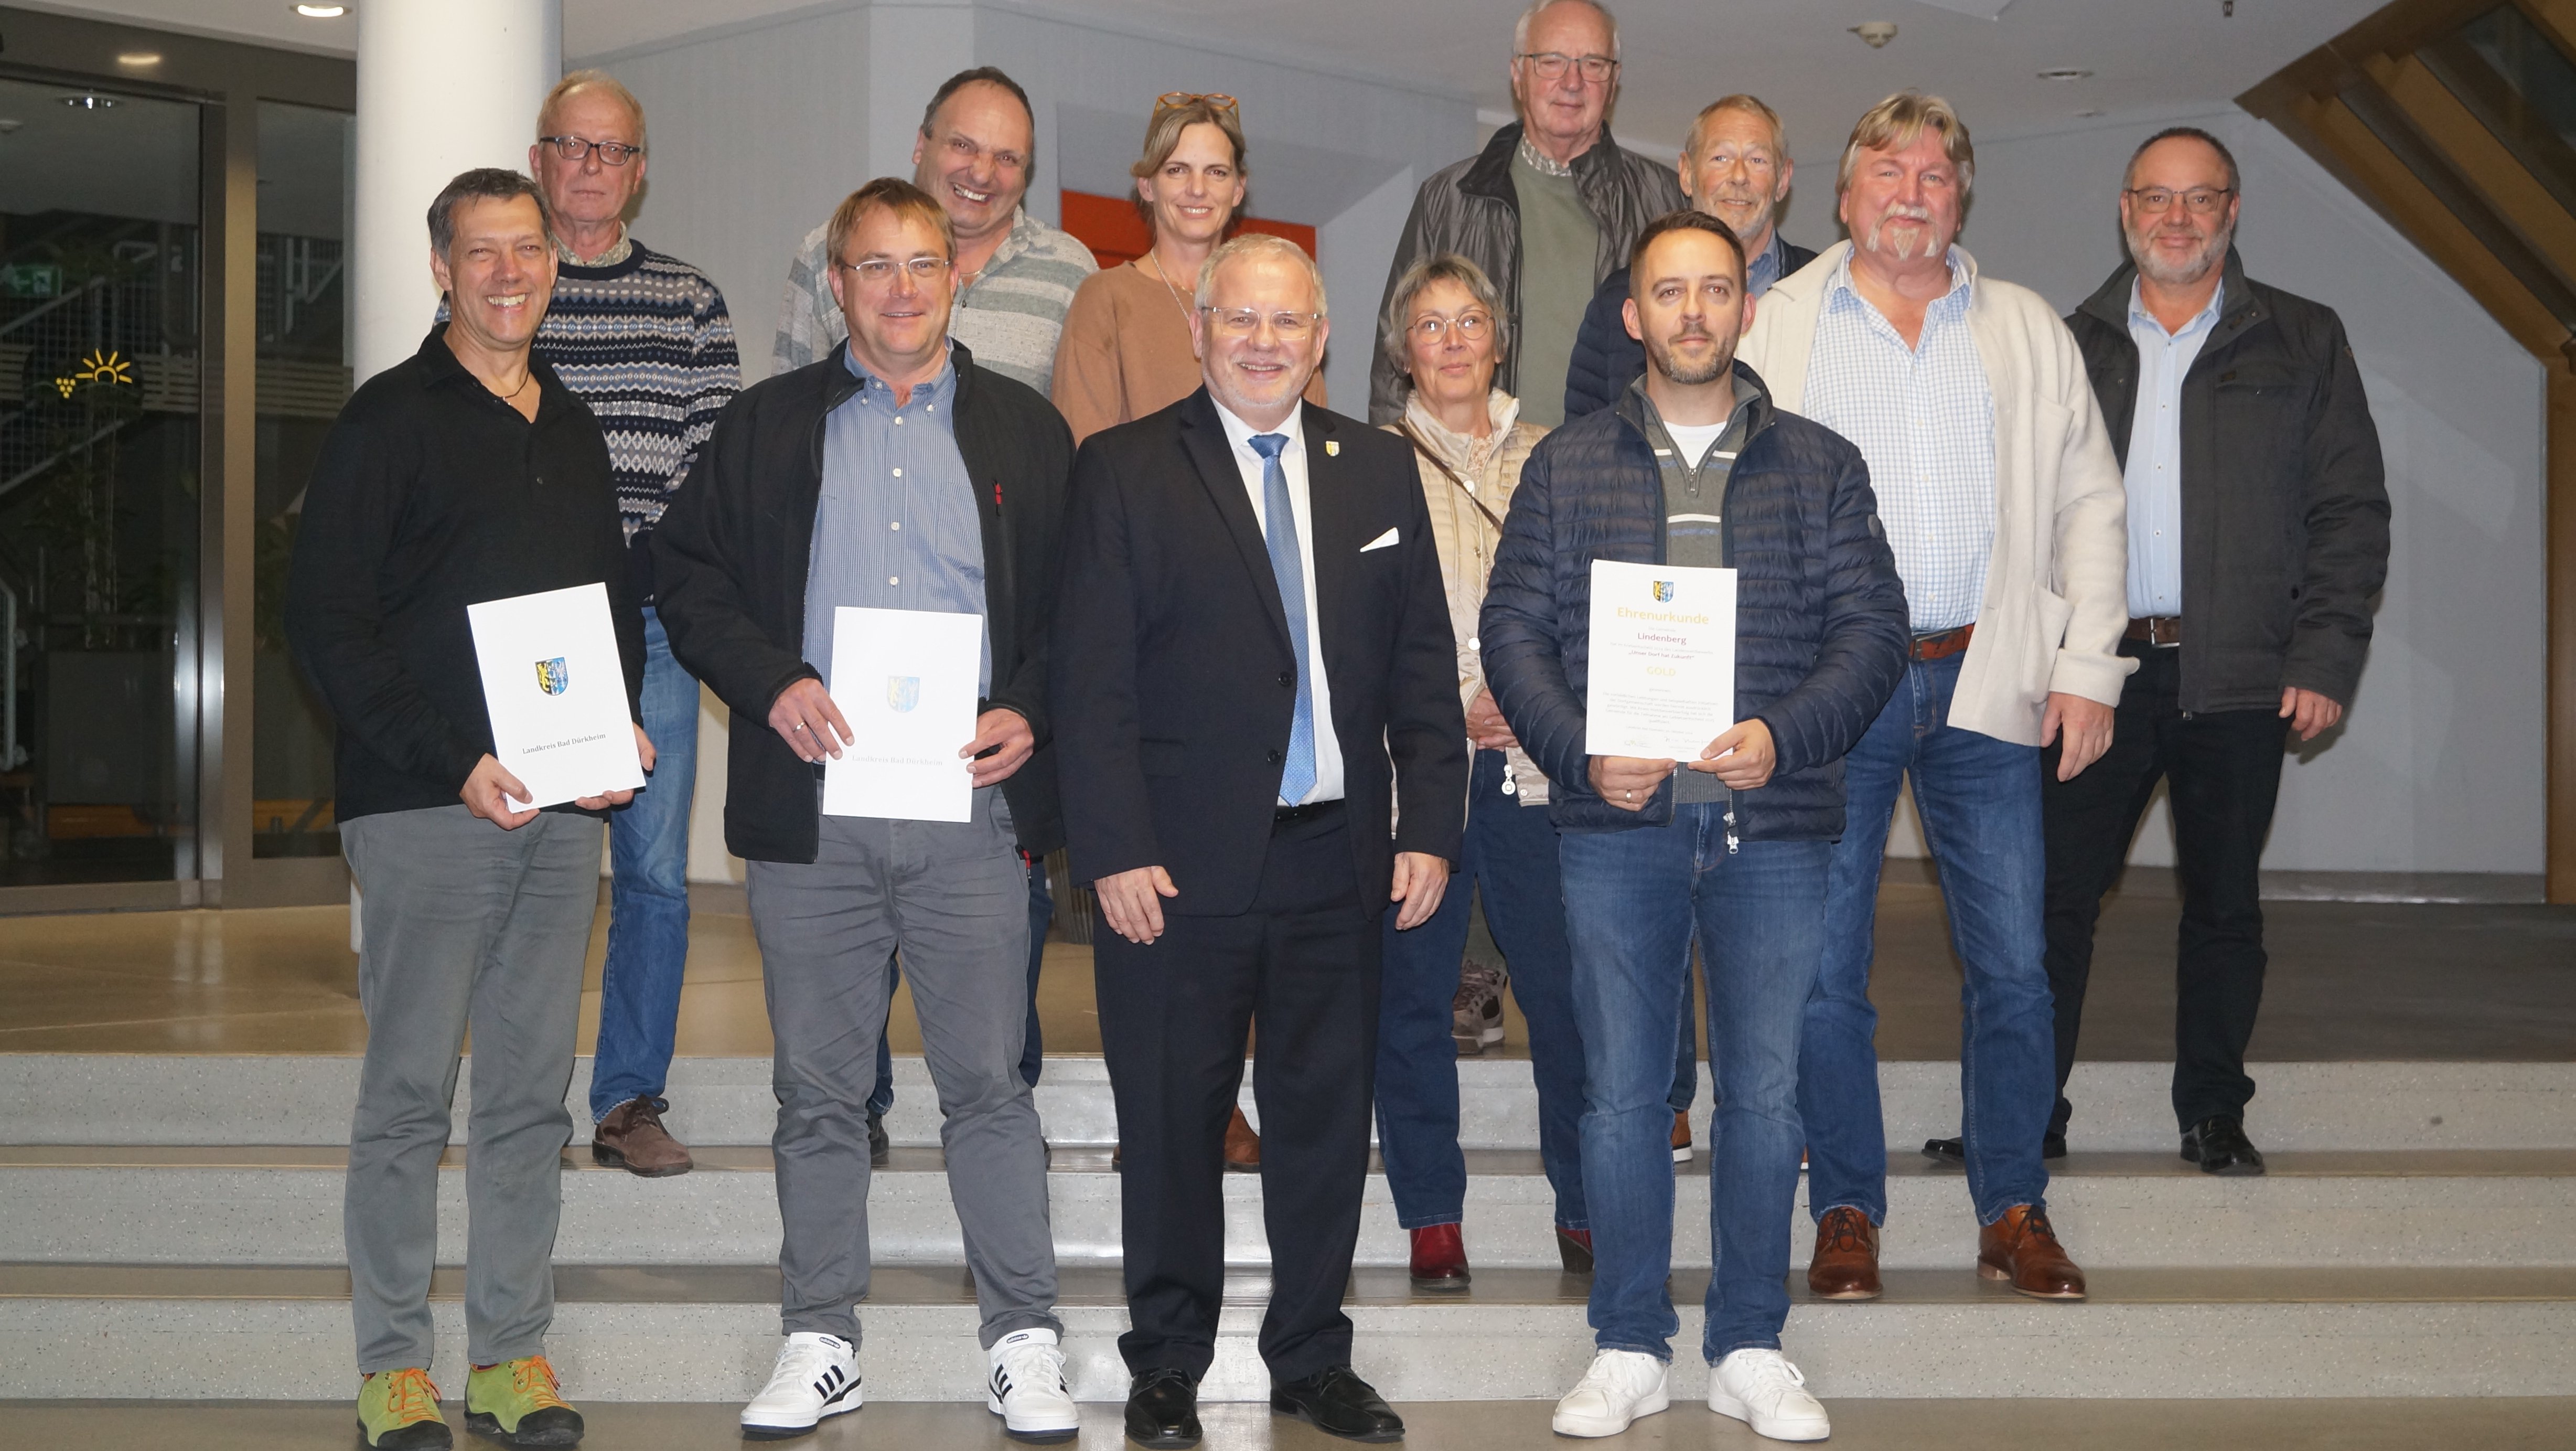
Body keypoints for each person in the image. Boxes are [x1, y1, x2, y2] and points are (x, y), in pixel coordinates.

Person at [653, 178, 1079, 1445]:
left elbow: (1079, 609)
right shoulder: (766, 427)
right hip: (816, 821)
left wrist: (1030, 707)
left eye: (921, 264)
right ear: (836, 284)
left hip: (971, 819)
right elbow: (683, 574)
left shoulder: (1023, 431)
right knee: (817, 1095)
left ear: (956, 278)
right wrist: (770, 679)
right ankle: (821, 1338)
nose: (899, 289)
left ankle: (1024, 1342)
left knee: (989, 1089)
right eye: (873, 267)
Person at [1482, 210, 1908, 1443]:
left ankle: (1747, 1344)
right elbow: (1513, 632)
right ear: (1632, 314)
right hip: (1615, 830)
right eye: (1666, 292)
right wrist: (1577, 750)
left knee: (1765, 1098)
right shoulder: (1565, 465)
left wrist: (1784, 733)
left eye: (1713, 290)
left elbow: (1870, 634)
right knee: (1619, 1096)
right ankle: (1624, 1340)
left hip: (1772, 827)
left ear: (1742, 308)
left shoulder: (1822, 465)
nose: (1689, 313)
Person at [1052, 233, 1467, 1448]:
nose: (1261, 341)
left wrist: (1428, 825)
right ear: (1196, 327)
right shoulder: (1125, 469)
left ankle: (1308, 1355)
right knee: (1172, 1120)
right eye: (1238, 318)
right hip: (1172, 872)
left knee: (1324, 1121)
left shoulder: (1377, 470)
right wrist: (1113, 850)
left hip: (1336, 857)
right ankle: (1166, 1360)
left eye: (1285, 322)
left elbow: (1420, 671)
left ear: (1321, 337)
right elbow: (1091, 684)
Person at [1736, 90, 2133, 1306]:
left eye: (1933, 174)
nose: (1910, 191)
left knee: (2013, 959)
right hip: (1833, 684)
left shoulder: (2021, 328)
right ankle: (1844, 1206)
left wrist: (2085, 668)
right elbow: (1731, 507)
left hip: (1987, 672)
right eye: (1887, 170)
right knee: (1820, 969)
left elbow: (2088, 506)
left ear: (1959, 198)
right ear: (1841, 193)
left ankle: (2011, 1205)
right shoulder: (1775, 326)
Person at [289, 167, 651, 1451]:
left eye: (529, 249)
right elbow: (325, 625)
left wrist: (613, 734)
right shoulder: (388, 420)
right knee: (405, 1097)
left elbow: (607, 610)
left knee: (523, 1098)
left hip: (560, 818)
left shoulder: (575, 426)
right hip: (426, 810)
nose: (509, 271)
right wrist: (453, 761)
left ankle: (507, 1356)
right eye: (481, 251)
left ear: (557, 265)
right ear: (440, 267)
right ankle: (392, 1366)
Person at [2035, 126, 2389, 1173]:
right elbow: (2019, 520)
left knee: (2223, 906)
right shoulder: (2070, 343)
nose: (2175, 218)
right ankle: (2024, 1108)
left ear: (2231, 211)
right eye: (2156, 198)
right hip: (2095, 671)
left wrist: (2321, 659)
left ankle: (2210, 1112)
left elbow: (2349, 513)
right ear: (2123, 210)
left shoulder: (2302, 339)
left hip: (2237, 673)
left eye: (2200, 199)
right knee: (2052, 900)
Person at [771, 65, 1095, 1148]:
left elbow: (1070, 504)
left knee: (1001, 948)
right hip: (852, 677)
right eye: (965, 146)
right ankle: (852, 1110)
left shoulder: (1071, 272)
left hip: (982, 689)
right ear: (922, 144)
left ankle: (1001, 1107)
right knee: (841, 927)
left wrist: (1033, 694)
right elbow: (781, 452)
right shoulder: (827, 252)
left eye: (1008, 157)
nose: (983, 171)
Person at [514, 70, 739, 1181]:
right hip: (538, 632)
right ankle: (521, 1094)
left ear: (638, 173)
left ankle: (626, 1101)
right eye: (573, 146)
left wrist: (634, 573)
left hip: (649, 623)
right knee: (544, 866)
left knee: (651, 874)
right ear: (541, 161)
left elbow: (717, 462)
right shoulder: (501, 293)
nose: (593, 167)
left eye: (613, 151)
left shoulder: (690, 302)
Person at [1369, 252, 1588, 1289]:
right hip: (1416, 767)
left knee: (1562, 989)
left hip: (1535, 765)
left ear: (1498, 341)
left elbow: (1589, 606)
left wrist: (1533, 700)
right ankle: (1430, 1217)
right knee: (1410, 995)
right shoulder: (1360, 463)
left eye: (1469, 323)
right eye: (1429, 324)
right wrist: (1448, 705)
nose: (1452, 341)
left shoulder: (1561, 457)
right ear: (1399, 347)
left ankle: (1586, 1205)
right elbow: (1348, 629)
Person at [1368, 0, 1684, 427]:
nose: (1572, 82)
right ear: (1518, 75)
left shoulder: (1663, 200)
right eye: (1552, 62)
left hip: (1619, 473)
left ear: (1614, 81)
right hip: (1476, 473)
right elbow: (1396, 355)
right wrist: (1395, 467)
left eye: (1593, 63)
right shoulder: (1448, 198)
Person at [1051, 92, 1327, 446]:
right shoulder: (1107, 299)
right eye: (1177, 170)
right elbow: (1085, 456)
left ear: (1238, 189)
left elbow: (1312, 446)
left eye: (1216, 172)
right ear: (1147, 185)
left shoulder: (1282, 307)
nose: (1197, 189)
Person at [1562, 93, 1817, 418]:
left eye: (1757, 161)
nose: (1739, 176)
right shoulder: (1619, 299)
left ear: (1782, 181)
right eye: (1720, 159)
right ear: (1686, 174)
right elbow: (1586, 441)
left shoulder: (1823, 291)